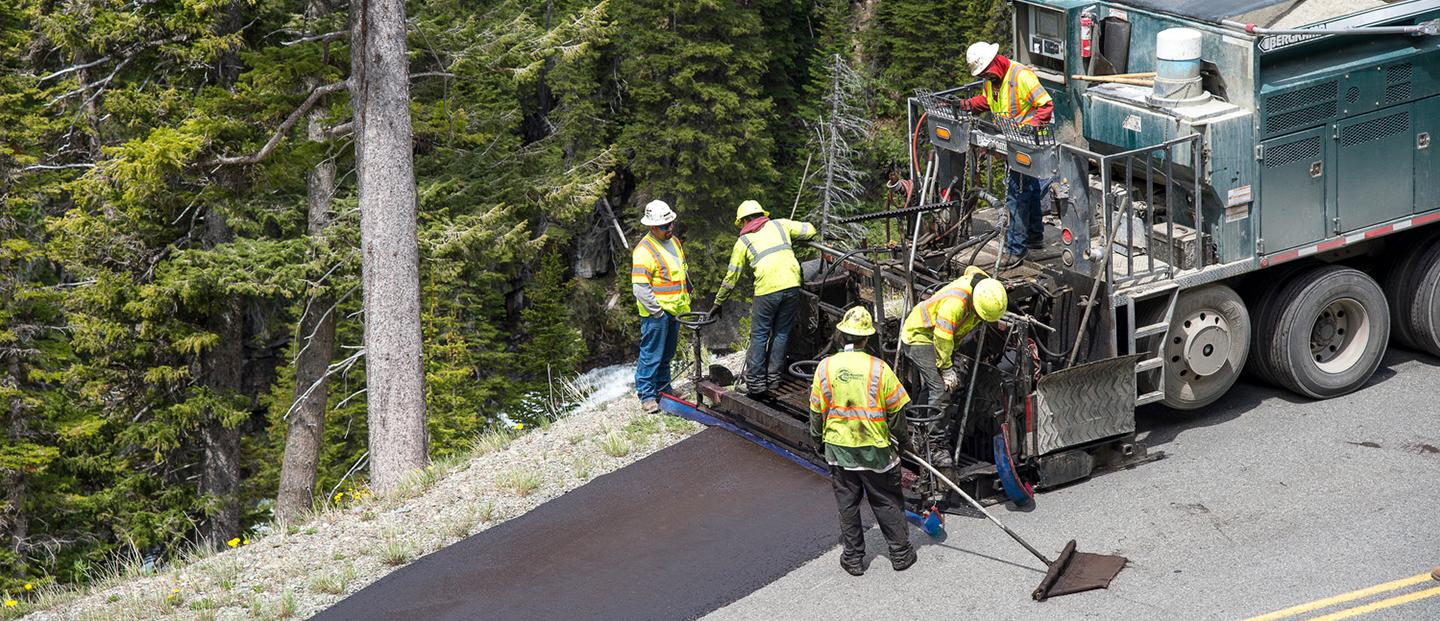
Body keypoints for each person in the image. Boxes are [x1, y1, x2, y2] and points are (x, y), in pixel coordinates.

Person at [809, 306, 916, 577]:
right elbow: (896, 413)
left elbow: (815, 411)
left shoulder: (825, 367)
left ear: (842, 334)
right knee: (885, 498)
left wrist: (817, 441)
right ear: (866, 339)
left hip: (839, 450)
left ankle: (854, 559)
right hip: (875, 450)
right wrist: (903, 443)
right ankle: (901, 555)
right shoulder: (880, 369)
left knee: (847, 503)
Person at [957, 41, 1055, 269]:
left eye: (986, 72)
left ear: (995, 61)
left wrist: (1028, 128)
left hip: (1029, 144)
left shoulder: (1021, 76)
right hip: (1014, 144)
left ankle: (1015, 250)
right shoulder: (992, 82)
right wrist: (966, 104)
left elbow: (1046, 106)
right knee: (1029, 190)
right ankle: (1034, 236)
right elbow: (987, 102)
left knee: (1016, 194)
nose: (986, 78)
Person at [899, 267, 1008, 466]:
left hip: (939, 337)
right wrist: (947, 369)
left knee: (931, 387)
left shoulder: (984, 286)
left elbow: (971, 269)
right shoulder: (955, 305)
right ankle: (934, 446)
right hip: (920, 336)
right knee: (940, 388)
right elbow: (942, 338)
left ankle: (921, 426)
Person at [712, 200, 818, 395]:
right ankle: (774, 379)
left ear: (745, 220)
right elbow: (810, 229)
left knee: (760, 336)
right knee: (781, 333)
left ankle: (755, 384)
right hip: (792, 286)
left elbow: (731, 277)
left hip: (767, 291)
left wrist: (718, 302)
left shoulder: (743, 242)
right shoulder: (780, 225)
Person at [631, 200, 691, 413]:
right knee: (651, 355)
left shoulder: (674, 242)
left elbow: (681, 271)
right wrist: (657, 312)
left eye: (671, 223)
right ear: (652, 227)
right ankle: (647, 396)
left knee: (667, 355)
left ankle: (664, 390)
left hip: (674, 309)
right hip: (656, 313)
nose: (670, 228)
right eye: (665, 226)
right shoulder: (643, 251)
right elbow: (640, 288)